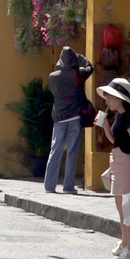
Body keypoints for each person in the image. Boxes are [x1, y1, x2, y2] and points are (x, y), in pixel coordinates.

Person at [95, 78, 130, 259]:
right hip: (118, 162)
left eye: (110, 96)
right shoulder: (121, 116)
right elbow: (116, 141)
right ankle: (125, 243)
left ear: (120, 97)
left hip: (126, 163)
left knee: (129, 207)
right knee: (121, 207)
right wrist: (106, 127)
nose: (107, 99)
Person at [44, 46, 93, 194]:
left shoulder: (53, 76)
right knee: (72, 152)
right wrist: (81, 58)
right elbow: (90, 67)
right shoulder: (78, 74)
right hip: (75, 118)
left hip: (59, 118)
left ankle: (49, 186)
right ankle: (68, 187)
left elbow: (53, 92)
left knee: (55, 151)